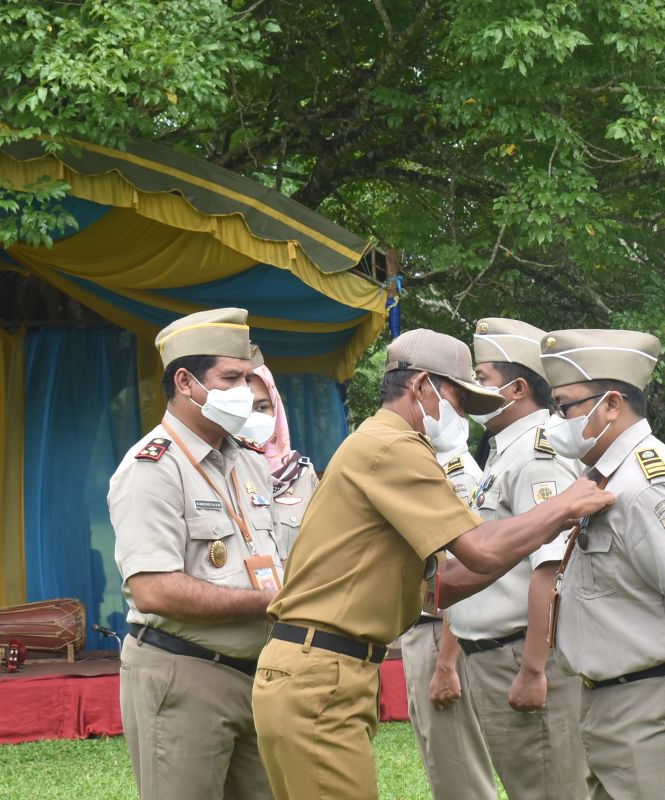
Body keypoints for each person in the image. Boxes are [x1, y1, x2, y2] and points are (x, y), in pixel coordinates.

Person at [251, 328, 613, 800]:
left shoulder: (376, 442)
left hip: (317, 667)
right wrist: (564, 507)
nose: (463, 417)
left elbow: (441, 584)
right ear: (422, 386)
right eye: (459, 400)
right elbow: (479, 550)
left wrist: (520, 543)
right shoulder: (394, 447)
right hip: (322, 670)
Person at [541, 328, 665, 800]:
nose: (555, 419)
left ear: (611, 404)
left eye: (564, 406)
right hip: (608, 703)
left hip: (649, 706)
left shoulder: (647, 485)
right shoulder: (605, 478)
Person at [109, 307, 282, 800]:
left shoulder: (248, 460)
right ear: (185, 381)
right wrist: (271, 601)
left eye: (249, 378)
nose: (247, 392)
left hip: (258, 675)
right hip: (185, 672)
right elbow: (153, 590)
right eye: (232, 377)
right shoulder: (151, 469)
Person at [446, 317, 587, 799]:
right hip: (495, 655)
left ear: (518, 387)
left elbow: (551, 568)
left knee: (546, 789)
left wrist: (533, 669)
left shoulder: (535, 455)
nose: (471, 390)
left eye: (482, 378)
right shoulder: (506, 451)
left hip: (517, 652)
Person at [401, 442, 497, 800]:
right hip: (419, 629)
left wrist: (446, 662)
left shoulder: (456, 474)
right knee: (441, 763)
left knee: (458, 768)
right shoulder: (424, 465)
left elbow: (464, 575)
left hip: (439, 634)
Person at [246, 363, 318, 568]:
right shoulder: (217, 472)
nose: (252, 418)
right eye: (244, 409)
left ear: (276, 409)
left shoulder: (302, 474)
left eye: (262, 407)